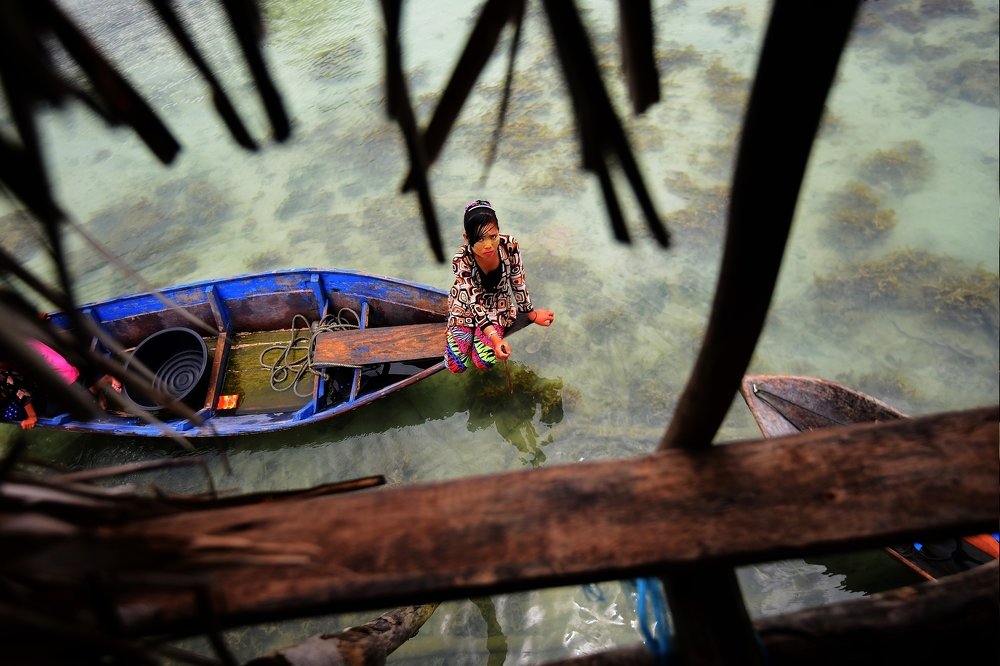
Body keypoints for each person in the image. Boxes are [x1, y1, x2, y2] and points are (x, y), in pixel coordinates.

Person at [445, 199, 555, 373]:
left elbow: (517, 281)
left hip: (497, 305)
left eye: (493, 236)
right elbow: (474, 304)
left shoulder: (510, 246)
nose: (488, 245)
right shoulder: (461, 259)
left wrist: (531, 314)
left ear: (499, 232)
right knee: (457, 365)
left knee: (483, 361)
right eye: (479, 239)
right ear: (467, 238)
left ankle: (477, 337)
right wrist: (496, 340)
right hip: (466, 306)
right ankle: (462, 331)